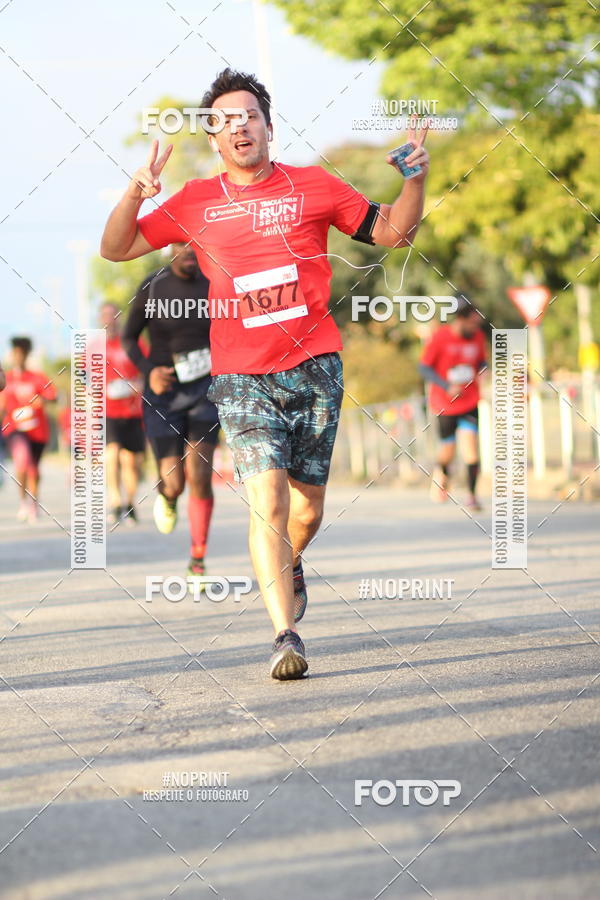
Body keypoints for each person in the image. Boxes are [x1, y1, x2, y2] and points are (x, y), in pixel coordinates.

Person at [100, 67, 429, 680]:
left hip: (315, 367)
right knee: (267, 500)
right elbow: (116, 248)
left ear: (269, 128)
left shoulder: (314, 186)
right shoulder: (195, 201)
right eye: (225, 121)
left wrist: (415, 181)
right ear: (213, 139)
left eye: (249, 115)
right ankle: (285, 635)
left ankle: (289, 561)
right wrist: (135, 194)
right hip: (240, 376)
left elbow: (392, 232)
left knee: (306, 511)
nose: (239, 127)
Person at [121, 242, 219, 582]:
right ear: (170, 249)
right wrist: (149, 371)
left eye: (195, 244)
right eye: (182, 245)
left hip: (206, 391)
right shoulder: (154, 286)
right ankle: (168, 495)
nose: (190, 251)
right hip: (163, 394)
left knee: (201, 475)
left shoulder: (216, 281)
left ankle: (198, 558)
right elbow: (129, 338)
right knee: (175, 482)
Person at [418, 296, 487, 510]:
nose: (475, 328)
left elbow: (481, 361)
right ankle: (442, 475)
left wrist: (484, 371)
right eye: (472, 323)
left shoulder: (478, 337)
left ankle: (472, 495)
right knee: (448, 449)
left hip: (469, 400)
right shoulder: (441, 337)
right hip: (445, 403)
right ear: (460, 319)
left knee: (471, 447)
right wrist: (446, 386)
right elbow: (424, 367)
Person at [99, 301, 147, 526]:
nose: (109, 320)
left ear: (119, 317)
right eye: (105, 315)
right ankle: (115, 502)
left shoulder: (133, 343)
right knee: (112, 454)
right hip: (108, 411)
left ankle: (130, 503)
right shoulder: (95, 347)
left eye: (113, 315)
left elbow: (147, 370)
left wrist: (139, 384)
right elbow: (84, 377)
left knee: (130, 462)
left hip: (133, 411)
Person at [0, 337, 56, 522]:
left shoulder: (37, 377)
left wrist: (43, 400)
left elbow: (53, 396)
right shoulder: (6, 378)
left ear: (26, 355)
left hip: (37, 431)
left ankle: (34, 500)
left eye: (22, 354)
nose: (18, 357)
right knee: (22, 460)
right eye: (15, 354)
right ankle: (23, 501)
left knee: (34, 469)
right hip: (14, 429)